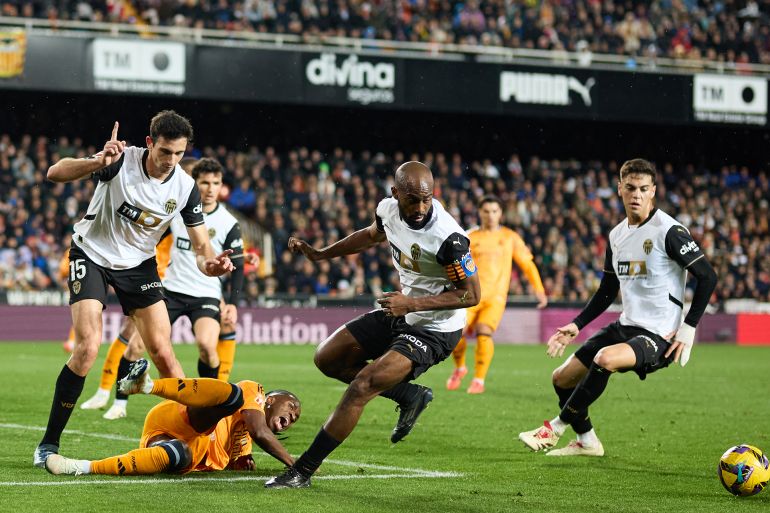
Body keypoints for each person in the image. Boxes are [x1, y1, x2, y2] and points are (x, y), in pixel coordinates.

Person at [33, 111, 235, 468]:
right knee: (87, 347)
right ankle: (48, 445)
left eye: (178, 154)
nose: (170, 161)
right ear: (149, 143)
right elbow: (54, 173)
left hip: (139, 266)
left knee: (163, 352)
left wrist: (211, 265)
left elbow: (203, 248)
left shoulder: (185, 187)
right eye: (165, 152)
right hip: (92, 253)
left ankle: (196, 440)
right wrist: (96, 160)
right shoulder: (119, 161)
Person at [265, 161, 481, 489]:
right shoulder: (387, 210)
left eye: (427, 199)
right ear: (395, 194)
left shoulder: (449, 239)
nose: (421, 207)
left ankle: (302, 471)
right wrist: (321, 255)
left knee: (362, 386)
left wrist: (412, 303)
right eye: (412, 199)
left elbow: (471, 295)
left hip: (435, 329)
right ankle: (409, 395)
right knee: (327, 358)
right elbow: (369, 237)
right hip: (402, 311)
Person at [518, 158, 717, 457]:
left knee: (604, 358)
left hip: (659, 335)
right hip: (625, 326)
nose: (636, 194)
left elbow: (708, 277)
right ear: (620, 190)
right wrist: (577, 324)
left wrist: (687, 330)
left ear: (653, 192)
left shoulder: (670, 231)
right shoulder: (616, 236)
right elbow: (607, 290)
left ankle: (555, 428)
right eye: (631, 188)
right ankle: (587, 441)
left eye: (643, 189)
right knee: (562, 378)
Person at [79, 157, 245, 420]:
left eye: (216, 183)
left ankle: (212, 400)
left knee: (206, 345)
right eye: (205, 182)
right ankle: (119, 402)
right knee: (135, 346)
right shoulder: (179, 212)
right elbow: (148, 238)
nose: (210, 188)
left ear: (222, 185)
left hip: (206, 294)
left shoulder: (228, 222)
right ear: (196, 183)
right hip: (172, 290)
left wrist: (233, 300)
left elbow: (236, 262)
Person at [45, 358, 300, 476]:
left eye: (295, 418)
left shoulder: (245, 439)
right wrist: (299, 465)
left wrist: (243, 461)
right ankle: (149, 386)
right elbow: (260, 431)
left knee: (178, 454)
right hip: (178, 419)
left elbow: (246, 445)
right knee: (231, 396)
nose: (292, 416)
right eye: (291, 406)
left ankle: (77, 466)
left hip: (181, 444)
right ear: (271, 399)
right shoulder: (253, 391)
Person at [446, 195, 547, 394]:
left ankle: (479, 379)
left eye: (494, 211)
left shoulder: (510, 237)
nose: (490, 215)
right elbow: (455, 263)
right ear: (479, 213)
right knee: (455, 334)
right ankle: (460, 368)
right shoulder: (470, 237)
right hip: (470, 295)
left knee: (484, 332)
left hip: (496, 297)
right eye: (486, 211)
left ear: (500, 213)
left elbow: (527, 264)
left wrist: (539, 289)